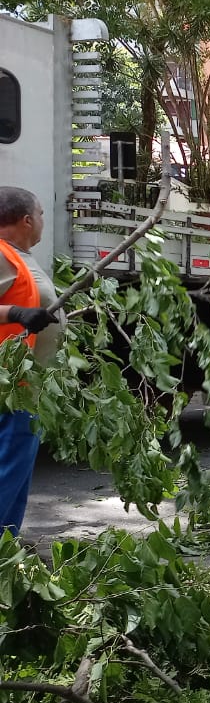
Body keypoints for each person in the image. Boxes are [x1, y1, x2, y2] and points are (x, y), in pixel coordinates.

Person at [0, 187, 64, 537]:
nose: (42, 220)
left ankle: (6, 556)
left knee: (16, 477)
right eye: (40, 214)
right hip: (11, 389)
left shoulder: (18, 255)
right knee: (7, 475)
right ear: (26, 219)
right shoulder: (1, 253)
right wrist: (17, 313)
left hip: (25, 387)